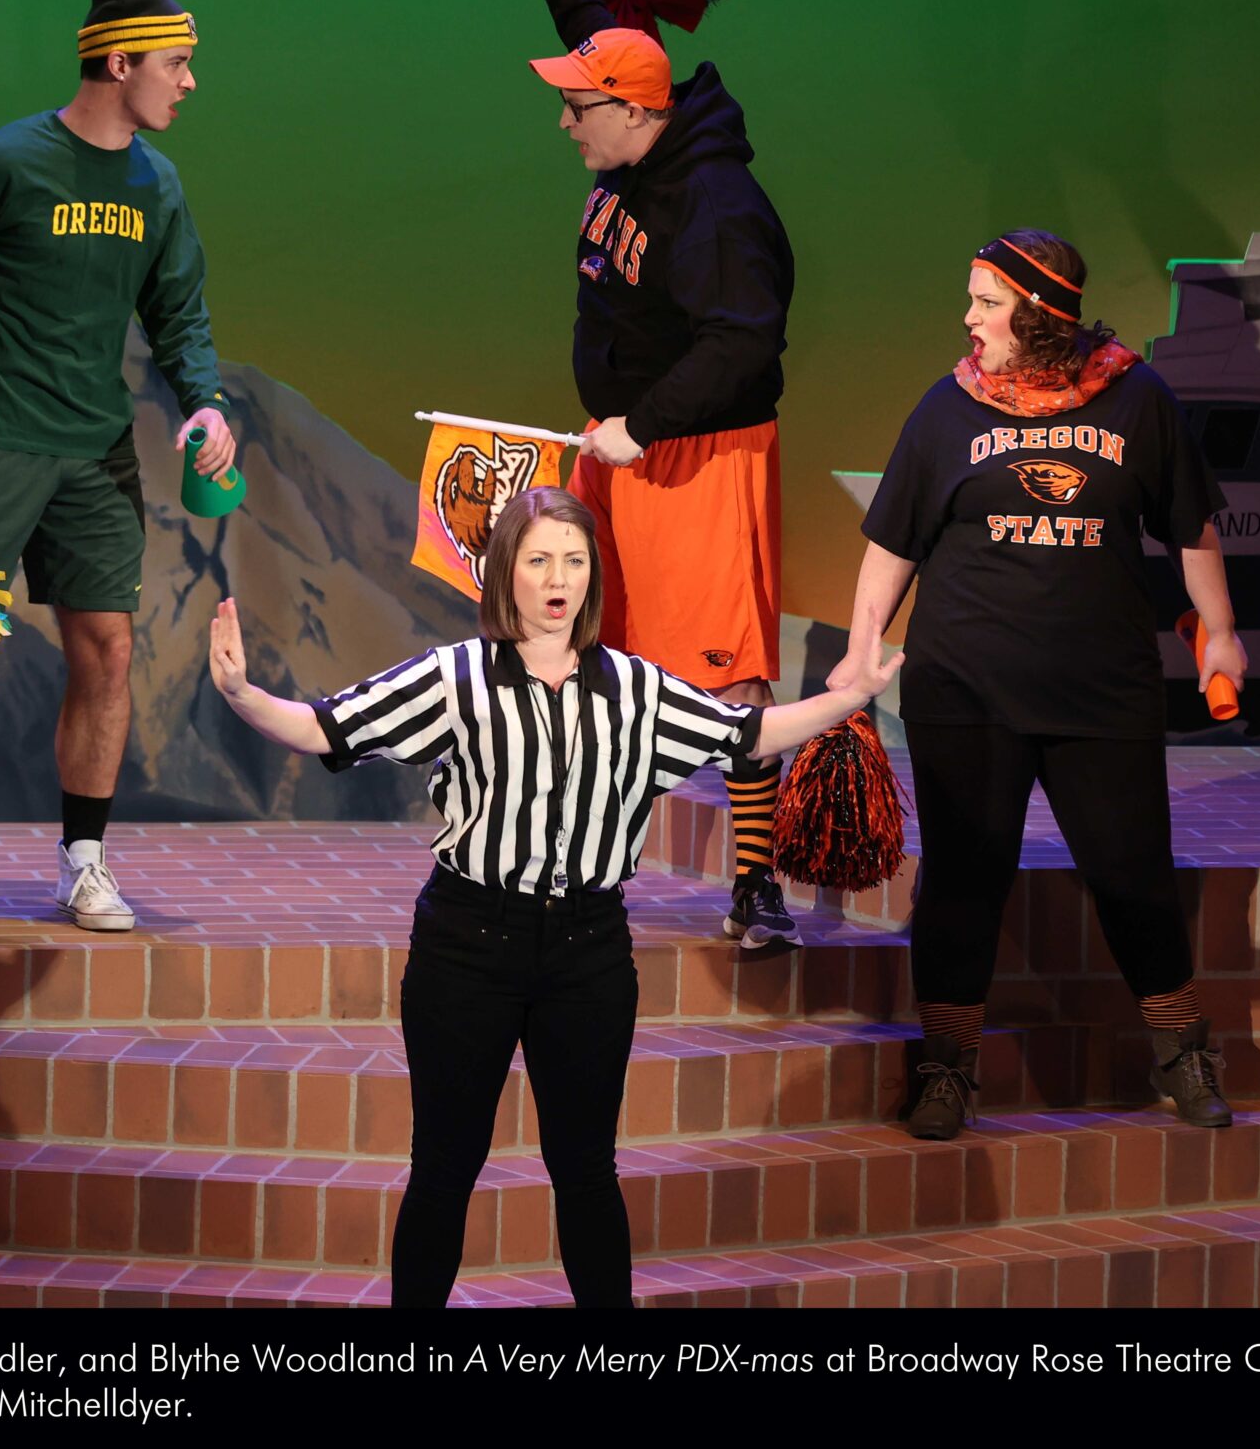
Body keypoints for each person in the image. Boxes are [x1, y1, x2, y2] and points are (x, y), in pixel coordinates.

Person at [209, 487, 899, 1307]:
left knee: (586, 1171)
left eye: (573, 560)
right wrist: (243, 694)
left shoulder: (637, 690)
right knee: (444, 1167)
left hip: (587, 952)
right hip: (468, 945)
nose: (558, 578)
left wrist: (847, 697)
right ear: (506, 570)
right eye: (538, 560)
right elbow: (331, 728)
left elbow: (744, 735)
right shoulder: (455, 676)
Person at [479, 0, 800, 949]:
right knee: (593, 660)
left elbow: (743, 342)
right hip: (627, 451)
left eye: (577, 110)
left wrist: (643, 425)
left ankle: (755, 887)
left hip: (699, 462)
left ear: (628, 113)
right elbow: (594, 39)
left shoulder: (715, 205)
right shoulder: (633, 134)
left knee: (726, 678)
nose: (564, 123)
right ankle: (577, 871)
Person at [843, 231, 1247, 1139]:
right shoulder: (948, 407)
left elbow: (1191, 524)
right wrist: (861, 648)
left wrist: (1219, 630)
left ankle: (1183, 1051)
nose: (968, 318)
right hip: (965, 687)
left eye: (986, 302)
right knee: (962, 880)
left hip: (1101, 689)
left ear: (1037, 314)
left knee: (1133, 875)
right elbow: (894, 541)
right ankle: (946, 1068)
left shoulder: (1136, 397)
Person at [0, 0, 237, 934]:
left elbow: (179, 314)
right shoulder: (3, 162)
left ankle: (85, 863)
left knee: (109, 650)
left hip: (94, 449)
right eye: (177, 64)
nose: (190, 83)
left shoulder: (157, 185)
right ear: (120, 63)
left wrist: (203, 404)